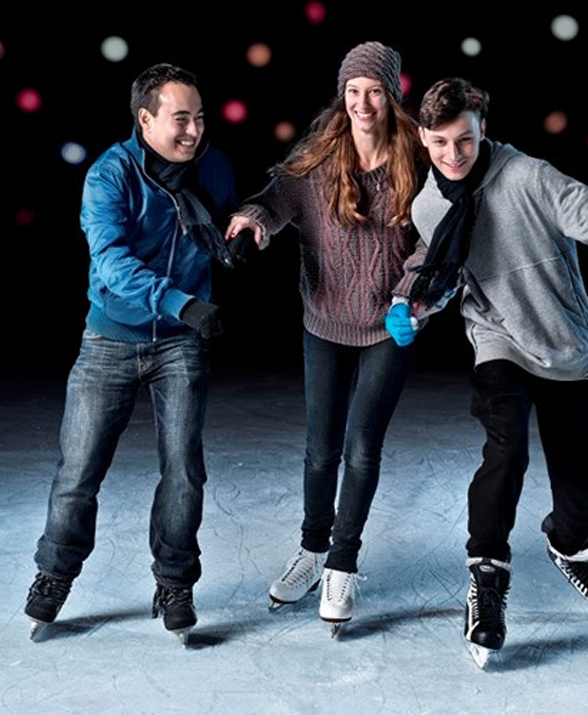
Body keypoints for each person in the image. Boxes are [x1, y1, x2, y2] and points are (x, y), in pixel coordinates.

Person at [386, 77, 588, 664]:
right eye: (439, 142)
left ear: (482, 129)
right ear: (422, 138)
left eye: (464, 140)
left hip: (565, 347)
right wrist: (409, 304)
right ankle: (487, 583)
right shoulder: (427, 204)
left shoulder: (530, 178)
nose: (453, 154)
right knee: (506, 449)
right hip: (498, 341)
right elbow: (441, 270)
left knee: (580, 488)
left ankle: (568, 545)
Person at [23, 63, 240, 645]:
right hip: (110, 341)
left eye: (198, 117)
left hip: (179, 346)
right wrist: (180, 302)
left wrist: (239, 236)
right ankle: (54, 573)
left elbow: (223, 223)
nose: (193, 130)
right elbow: (111, 264)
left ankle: (174, 581)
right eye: (180, 119)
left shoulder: (214, 168)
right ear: (145, 119)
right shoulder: (109, 175)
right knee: (78, 470)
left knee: (184, 471)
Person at [224, 41, 425, 633]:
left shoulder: (417, 158)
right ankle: (313, 550)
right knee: (321, 448)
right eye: (353, 90)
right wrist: (255, 219)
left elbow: (437, 238)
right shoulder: (319, 160)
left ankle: (343, 561)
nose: (363, 102)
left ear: (392, 96)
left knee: (363, 447)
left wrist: (408, 295)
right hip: (325, 319)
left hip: (390, 322)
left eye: (375, 90)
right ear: (343, 95)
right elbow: (277, 197)